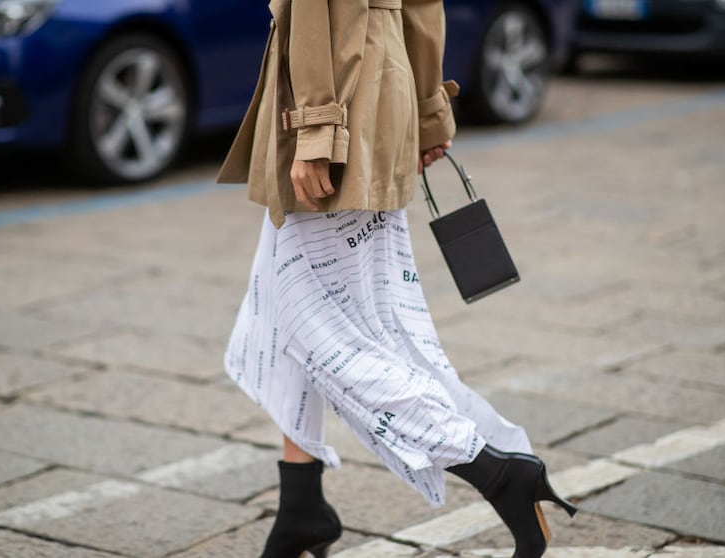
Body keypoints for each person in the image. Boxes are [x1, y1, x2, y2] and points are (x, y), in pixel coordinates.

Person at [216, 1, 577, 557]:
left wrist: (315, 133)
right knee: (276, 310)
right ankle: (301, 505)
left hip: (337, 103)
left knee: (321, 330)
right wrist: (429, 111)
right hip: (378, 92)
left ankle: (500, 475)